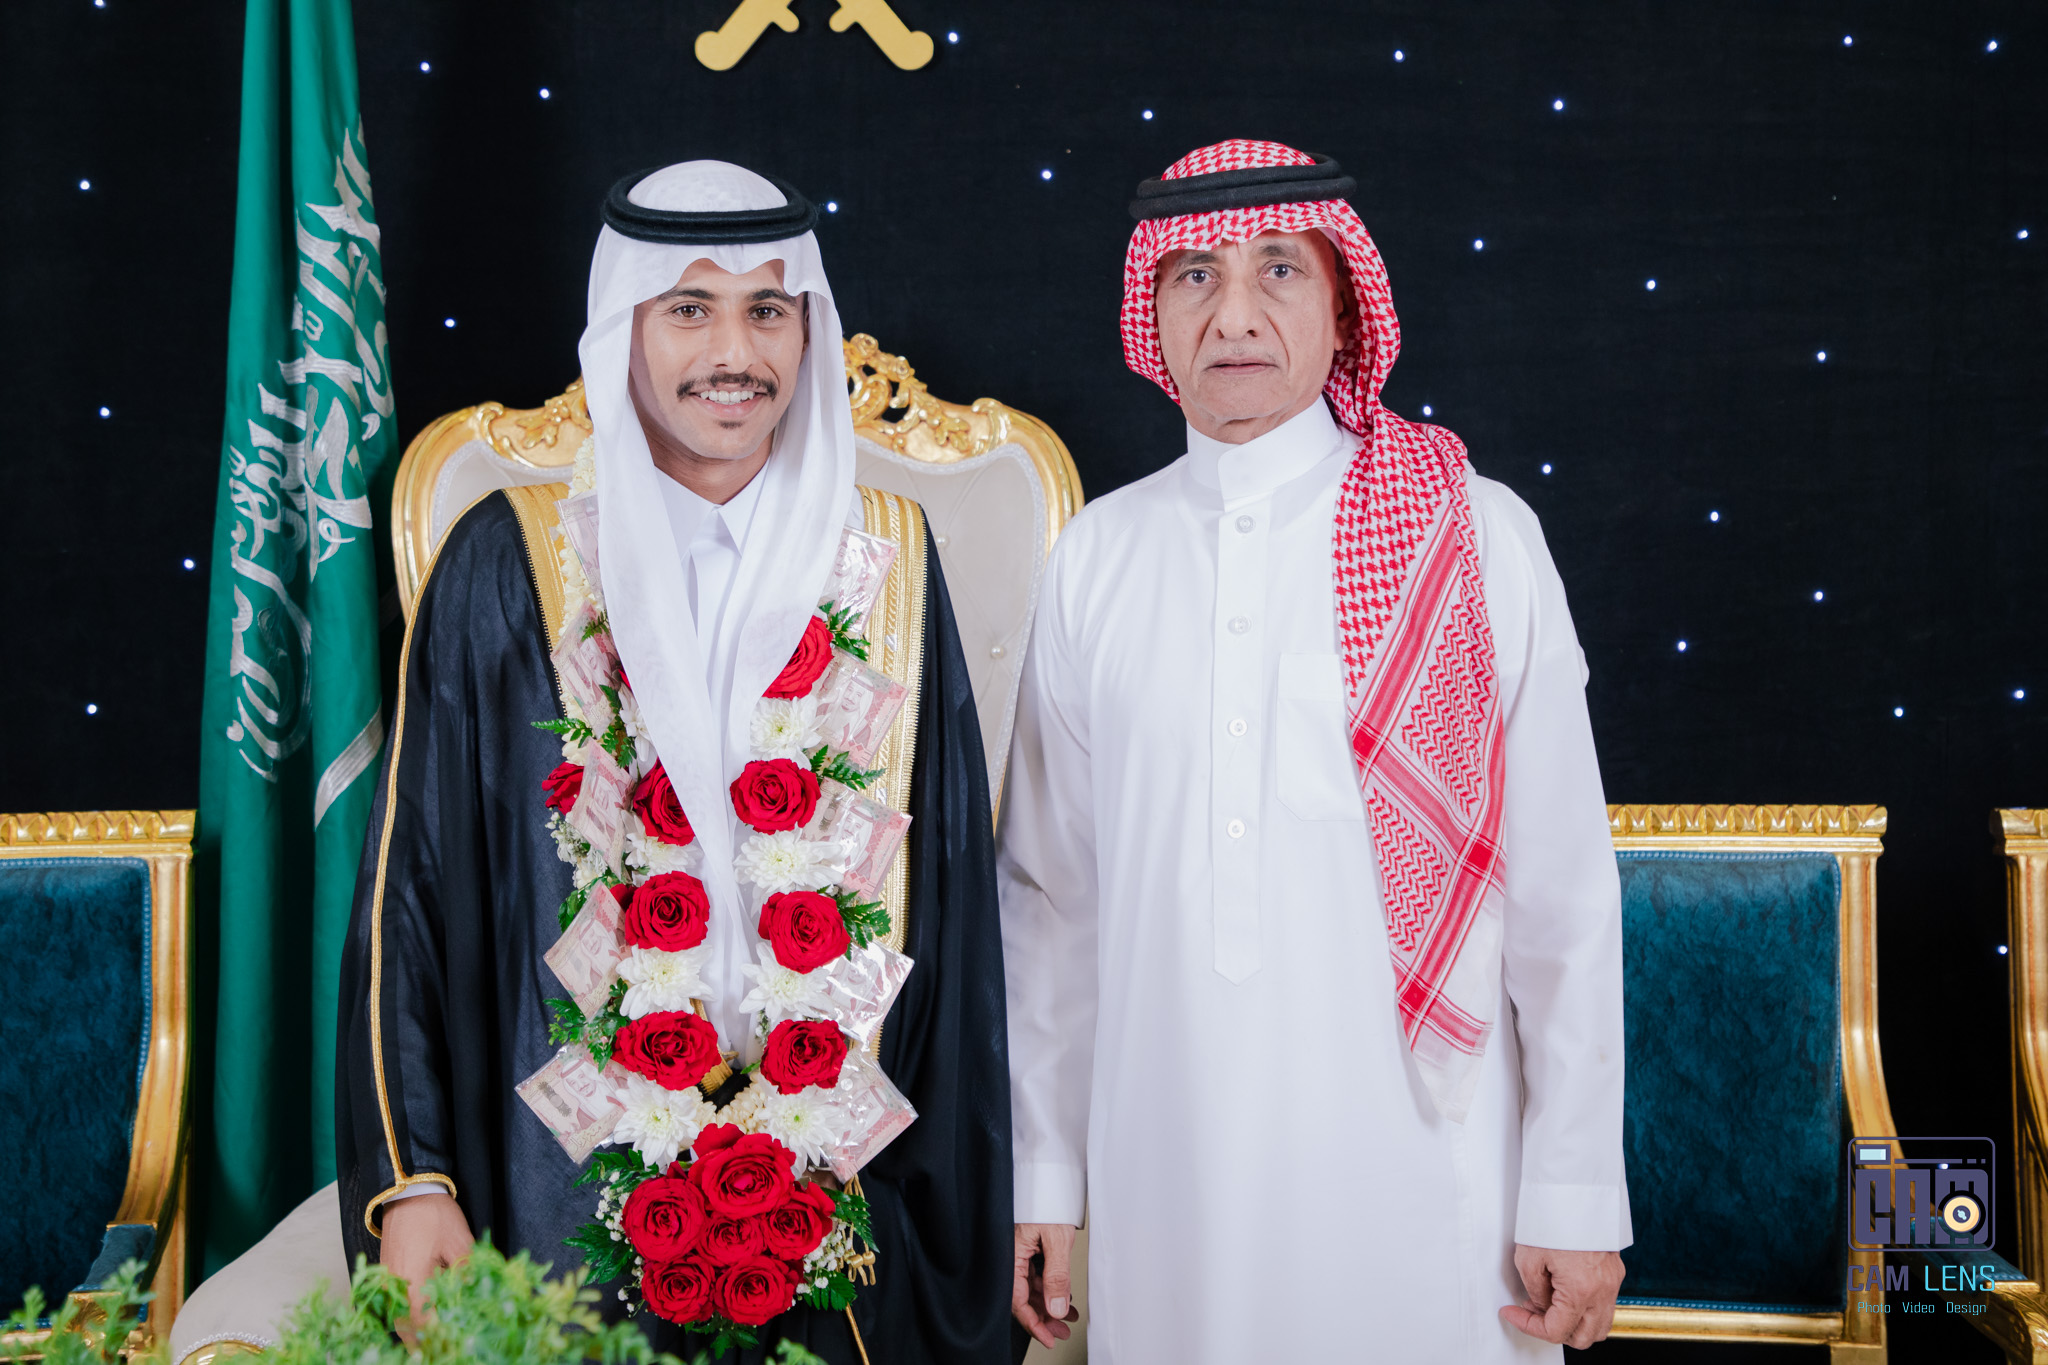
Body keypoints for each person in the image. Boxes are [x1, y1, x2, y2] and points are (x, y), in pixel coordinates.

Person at [336, 159, 1014, 1364]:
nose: (733, 353)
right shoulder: (513, 562)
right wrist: (414, 1175)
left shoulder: (886, 563)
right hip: (563, 1193)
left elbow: (957, 915)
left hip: (839, 1207)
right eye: (689, 310)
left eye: (767, 309)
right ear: (623, 332)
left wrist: (971, 1208)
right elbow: (414, 895)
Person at [998, 139, 1631, 1362]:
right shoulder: (1096, 559)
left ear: (1344, 308)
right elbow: (1051, 904)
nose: (1232, 315)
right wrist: (1047, 1176)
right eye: (1193, 275)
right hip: (1162, 1178)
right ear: (1149, 314)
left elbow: (1561, 893)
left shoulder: (1471, 537)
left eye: (1278, 270)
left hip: (1431, 1184)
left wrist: (1571, 1191)